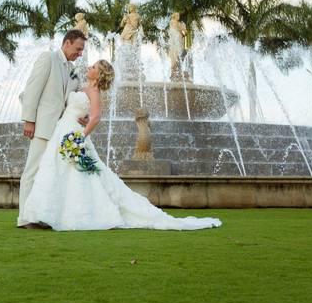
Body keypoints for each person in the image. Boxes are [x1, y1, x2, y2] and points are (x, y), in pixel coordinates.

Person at [18, 58, 221, 231]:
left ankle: (76, 213)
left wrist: (81, 137)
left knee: (78, 174)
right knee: (57, 171)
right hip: (63, 129)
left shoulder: (94, 91)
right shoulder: (82, 86)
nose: (89, 67)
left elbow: (97, 116)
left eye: (94, 66)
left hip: (73, 134)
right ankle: (47, 213)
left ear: (99, 74)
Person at [18, 29, 86, 226]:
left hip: (60, 131)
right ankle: (24, 217)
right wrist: (29, 120)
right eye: (78, 48)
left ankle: (41, 215)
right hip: (42, 126)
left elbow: (71, 101)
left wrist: (83, 114)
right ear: (66, 43)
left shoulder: (73, 72)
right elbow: (32, 89)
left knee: (49, 173)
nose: (80, 53)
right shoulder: (48, 58)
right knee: (32, 171)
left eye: (82, 50)